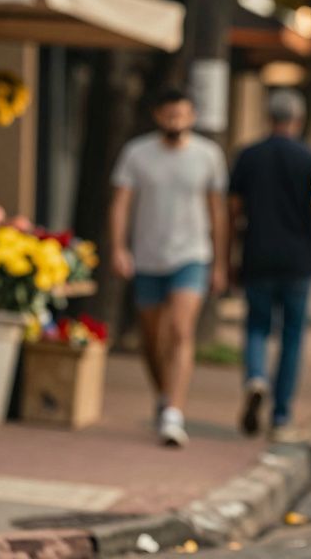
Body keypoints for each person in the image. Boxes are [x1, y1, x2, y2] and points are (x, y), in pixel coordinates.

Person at [110, 89, 229, 447]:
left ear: (192, 116)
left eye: (181, 114)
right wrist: (119, 248)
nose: (175, 121)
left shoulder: (208, 155)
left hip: (192, 256)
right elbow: (120, 205)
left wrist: (219, 263)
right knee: (150, 340)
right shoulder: (136, 153)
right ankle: (165, 395)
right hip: (147, 256)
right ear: (158, 115)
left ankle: (174, 414)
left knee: (179, 330)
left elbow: (217, 211)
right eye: (169, 114)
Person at [228, 89, 311, 440]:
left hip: (256, 256)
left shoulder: (248, 156)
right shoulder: (310, 159)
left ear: (268, 118)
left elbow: (232, 213)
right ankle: (281, 416)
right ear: (297, 119)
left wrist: (229, 258)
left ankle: (255, 377)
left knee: (256, 326)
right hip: (298, 261)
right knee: (292, 338)